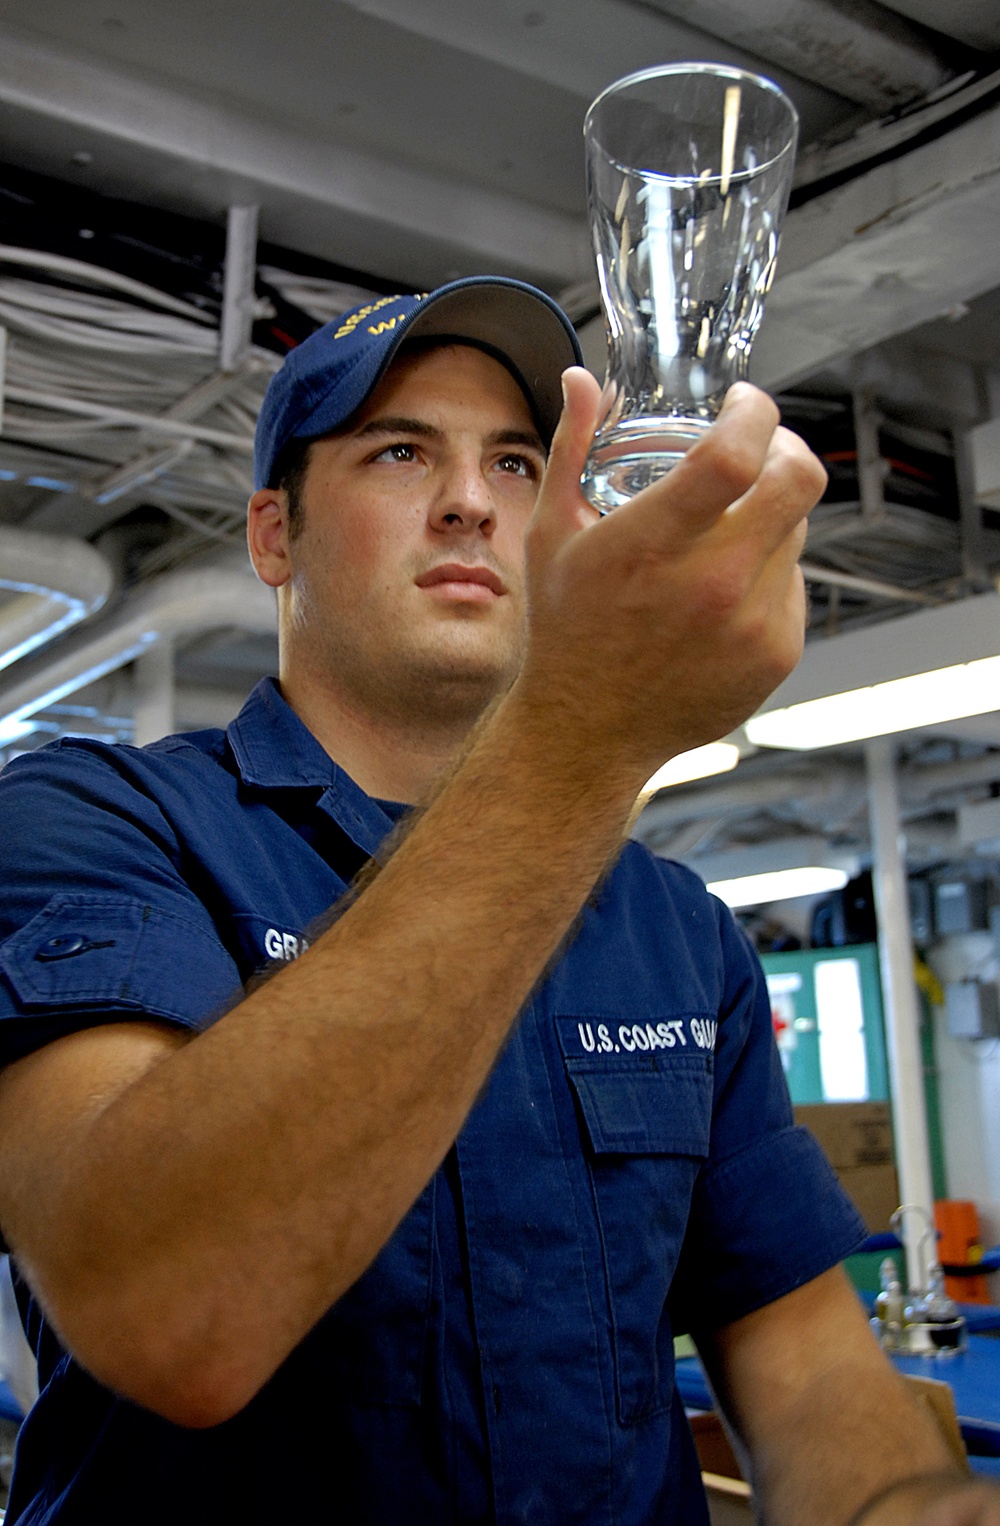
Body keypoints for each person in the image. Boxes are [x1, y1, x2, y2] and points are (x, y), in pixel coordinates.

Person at [0, 276, 995, 1526]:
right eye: (402, 450)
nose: (471, 500)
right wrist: (582, 739)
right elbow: (167, 1312)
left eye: (520, 463)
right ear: (273, 535)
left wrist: (914, 1508)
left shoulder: (676, 929)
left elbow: (802, 1372)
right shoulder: (94, 822)